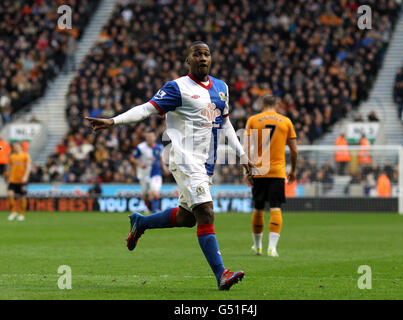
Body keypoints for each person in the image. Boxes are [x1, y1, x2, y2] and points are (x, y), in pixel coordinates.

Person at [85, 41, 254, 290]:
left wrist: (241, 154)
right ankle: (222, 275)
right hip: (185, 160)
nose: (203, 58)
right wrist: (113, 121)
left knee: (187, 218)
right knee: (206, 212)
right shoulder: (177, 88)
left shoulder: (221, 88)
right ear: (188, 61)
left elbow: (225, 123)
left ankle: (140, 223)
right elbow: (147, 109)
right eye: (197, 54)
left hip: (207, 163)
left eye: (207, 54)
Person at [244, 95, 298, 257]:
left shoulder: (253, 120)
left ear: (262, 104)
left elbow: (245, 148)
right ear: (277, 105)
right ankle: (272, 248)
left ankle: (257, 246)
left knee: (258, 208)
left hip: (259, 170)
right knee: (275, 207)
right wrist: (293, 170)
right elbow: (294, 150)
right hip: (277, 171)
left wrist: (246, 171)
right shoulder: (286, 121)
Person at [130, 130, 168, 213]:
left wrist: (164, 167)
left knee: (155, 192)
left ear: (154, 138)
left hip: (156, 173)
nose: (149, 139)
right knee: (145, 195)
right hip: (144, 173)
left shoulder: (159, 147)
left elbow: (161, 159)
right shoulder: (141, 147)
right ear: (146, 138)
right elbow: (132, 158)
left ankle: (155, 210)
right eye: (148, 137)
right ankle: (149, 208)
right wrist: (140, 164)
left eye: (151, 137)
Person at [7, 142, 31, 221]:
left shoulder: (25, 155)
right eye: (14, 146)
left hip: (22, 180)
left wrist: (26, 176)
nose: (16, 147)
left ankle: (21, 214)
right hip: (13, 179)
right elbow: (9, 168)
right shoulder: (12, 156)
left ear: (20, 147)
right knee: (10, 194)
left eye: (17, 146)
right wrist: (9, 177)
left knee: (23, 197)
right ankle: (13, 212)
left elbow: (28, 167)